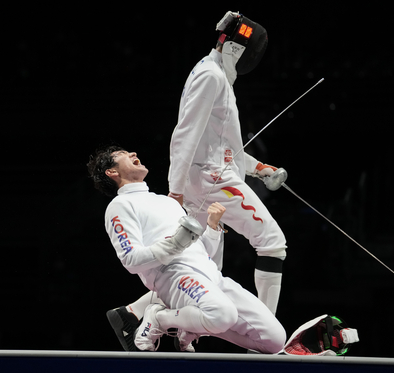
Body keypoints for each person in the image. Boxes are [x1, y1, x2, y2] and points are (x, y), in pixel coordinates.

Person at [105, 11, 287, 352]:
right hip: (210, 180)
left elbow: (225, 148)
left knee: (200, 260)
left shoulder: (218, 76)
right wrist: (175, 191)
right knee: (272, 242)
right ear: (235, 49)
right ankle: (258, 339)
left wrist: (260, 168)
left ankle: (133, 313)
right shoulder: (210, 77)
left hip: (214, 174)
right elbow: (184, 135)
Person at [87, 146, 286, 353]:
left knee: (274, 340)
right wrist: (176, 243)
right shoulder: (120, 205)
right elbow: (131, 261)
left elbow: (200, 251)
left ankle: (190, 323)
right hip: (174, 276)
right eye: (123, 154)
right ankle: (159, 317)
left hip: (211, 277)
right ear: (112, 172)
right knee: (221, 314)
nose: (134, 154)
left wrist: (212, 228)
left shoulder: (166, 202)